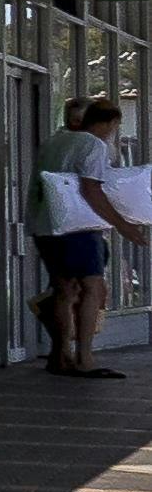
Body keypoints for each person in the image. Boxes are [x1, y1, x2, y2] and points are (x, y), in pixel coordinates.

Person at [47, 98, 147, 376]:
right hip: (79, 225)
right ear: (112, 123)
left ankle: (60, 355)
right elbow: (92, 190)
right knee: (92, 287)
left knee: (63, 289)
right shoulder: (93, 145)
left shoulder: (54, 142)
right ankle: (85, 357)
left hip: (47, 224)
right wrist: (124, 224)